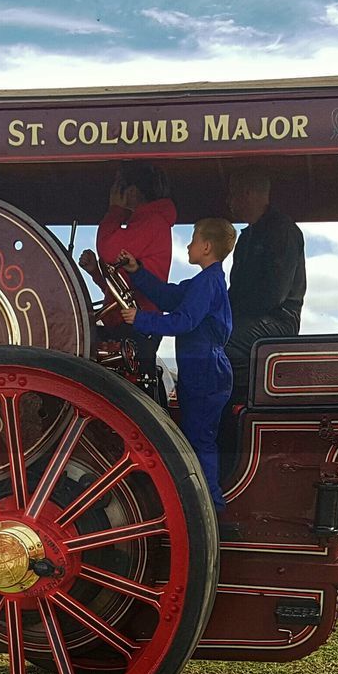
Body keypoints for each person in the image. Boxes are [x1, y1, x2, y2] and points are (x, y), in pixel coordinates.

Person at [120, 217, 237, 510]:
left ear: (206, 247)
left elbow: (184, 321)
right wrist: (138, 272)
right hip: (203, 368)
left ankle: (211, 507)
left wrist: (141, 319)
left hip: (205, 370)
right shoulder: (204, 282)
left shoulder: (206, 283)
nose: (188, 245)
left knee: (200, 439)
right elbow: (170, 296)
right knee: (197, 436)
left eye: (194, 240)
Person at [78, 163, 176, 369]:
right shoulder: (148, 223)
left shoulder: (152, 222)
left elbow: (109, 250)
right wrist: (96, 272)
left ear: (131, 191)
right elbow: (121, 286)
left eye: (117, 187)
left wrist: (115, 210)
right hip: (129, 322)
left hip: (136, 326)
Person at [223, 168, 307, 403]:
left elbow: (272, 296)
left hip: (280, 320)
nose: (228, 202)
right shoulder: (247, 237)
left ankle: (243, 401)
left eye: (232, 195)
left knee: (223, 340)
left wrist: (226, 318)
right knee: (209, 333)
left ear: (247, 194)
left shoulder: (284, 231)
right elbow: (236, 289)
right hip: (252, 317)